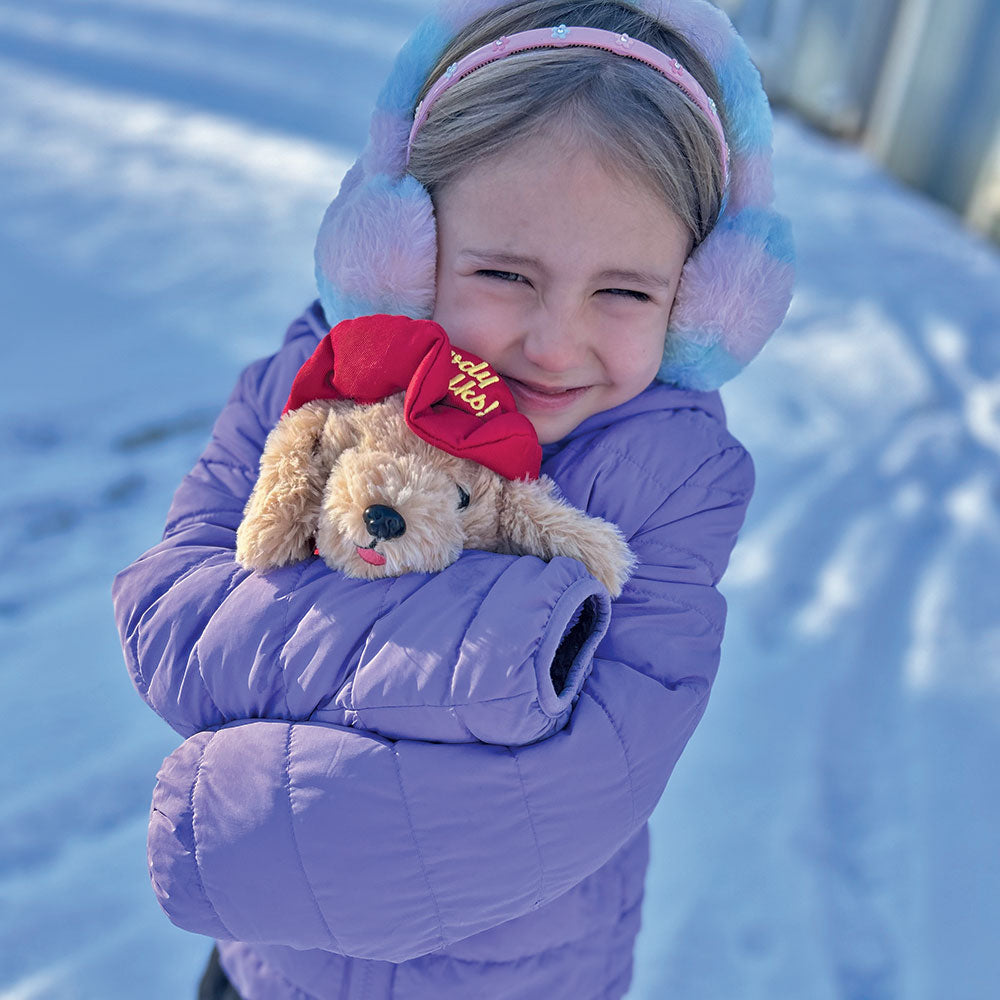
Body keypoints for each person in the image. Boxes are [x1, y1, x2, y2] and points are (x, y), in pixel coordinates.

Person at [111, 1, 794, 997]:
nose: (554, 344)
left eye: (626, 293)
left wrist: (231, 821)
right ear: (403, 249)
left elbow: (573, 794)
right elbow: (169, 622)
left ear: (702, 307)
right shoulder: (316, 381)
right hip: (265, 976)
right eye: (503, 274)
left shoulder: (677, 474)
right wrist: (508, 649)